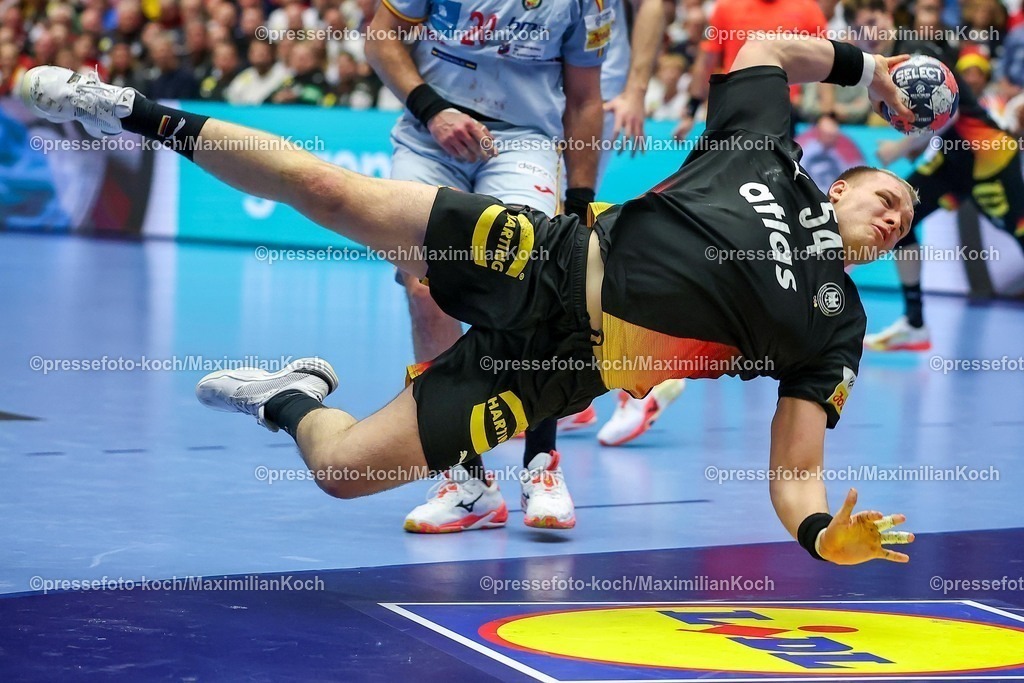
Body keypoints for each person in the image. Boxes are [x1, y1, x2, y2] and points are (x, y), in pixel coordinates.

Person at [20, 34, 918, 564]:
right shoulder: (764, 155)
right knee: (330, 193)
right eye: (887, 196)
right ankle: (124, 108)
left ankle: (285, 395)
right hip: (542, 257)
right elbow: (763, 49)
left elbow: (794, 469)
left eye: (906, 221)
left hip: (559, 371)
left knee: (344, 472)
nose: (893, 218)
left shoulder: (837, 324)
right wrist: (869, 65)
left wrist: (817, 533)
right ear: (843, 184)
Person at [364, 0, 610, 532]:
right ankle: (466, 479)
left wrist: (580, 199)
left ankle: (541, 463)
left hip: (522, 141)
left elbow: (586, 98)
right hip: (429, 135)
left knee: (537, 281)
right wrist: (433, 109)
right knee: (424, 287)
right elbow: (381, 38)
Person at [854, 0, 1024, 351]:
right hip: (951, 162)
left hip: (989, 157)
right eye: (858, 29)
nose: (867, 34)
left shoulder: (914, 53)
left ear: (888, 16)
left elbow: (949, 109)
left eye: (872, 22)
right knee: (901, 219)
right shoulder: (880, 65)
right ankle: (915, 324)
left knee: (1019, 230)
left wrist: (900, 148)